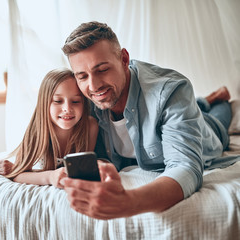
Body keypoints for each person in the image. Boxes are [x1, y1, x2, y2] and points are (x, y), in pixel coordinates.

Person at [59, 21, 236, 219]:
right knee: (190, 106)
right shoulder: (83, 97)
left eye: (102, 70)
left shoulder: (171, 90)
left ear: (124, 58)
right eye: (82, 76)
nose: (94, 85)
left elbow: (185, 167)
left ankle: (217, 100)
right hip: (174, 109)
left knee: (220, 115)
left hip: (209, 129)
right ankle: (203, 100)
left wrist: (127, 202)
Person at [0, 68, 98, 188]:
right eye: (58, 101)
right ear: (45, 103)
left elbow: (84, 172)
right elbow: (17, 174)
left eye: (76, 101)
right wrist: (50, 176)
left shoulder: (90, 126)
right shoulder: (37, 129)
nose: (67, 108)